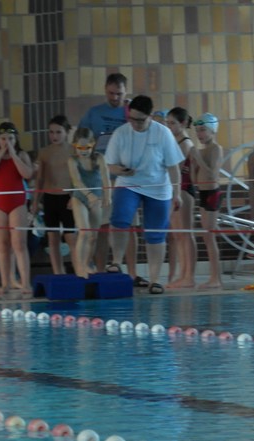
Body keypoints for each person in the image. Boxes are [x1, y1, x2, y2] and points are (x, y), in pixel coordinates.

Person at [103, 95, 184, 295]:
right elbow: (110, 165)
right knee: (120, 218)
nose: (135, 124)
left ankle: (155, 280)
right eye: (132, 119)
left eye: (140, 120)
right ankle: (116, 261)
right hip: (128, 183)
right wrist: (120, 171)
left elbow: (173, 167)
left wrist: (177, 194)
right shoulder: (121, 133)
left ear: (150, 116)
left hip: (158, 187)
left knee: (156, 233)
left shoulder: (163, 133)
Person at [78, 73, 147, 288]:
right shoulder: (94, 113)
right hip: (102, 178)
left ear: (126, 92)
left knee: (129, 226)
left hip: (126, 179)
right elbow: (80, 140)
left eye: (119, 94)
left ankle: (132, 273)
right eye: (111, 93)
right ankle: (101, 272)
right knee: (103, 226)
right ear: (105, 90)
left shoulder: (131, 112)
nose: (115, 98)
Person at [0, 122, 35, 295]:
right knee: (2, 245)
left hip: (17, 203)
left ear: (16, 139)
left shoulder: (22, 154)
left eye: (10, 139)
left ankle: (25, 283)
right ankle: (5, 283)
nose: (7, 142)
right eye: (3, 139)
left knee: (19, 243)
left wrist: (12, 154)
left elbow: (27, 174)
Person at [30, 115, 77, 275]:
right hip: (50, 198)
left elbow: (79, 178)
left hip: (68, 198)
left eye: (58, 132)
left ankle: (80, 272)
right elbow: (40, 179)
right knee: (53, 239)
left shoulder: (74, 151)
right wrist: (35, 202)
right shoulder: (44, 152)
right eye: (51, 132)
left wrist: (75, 196)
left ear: (67, 132)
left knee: (71, 238)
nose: (54, 136)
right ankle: (58, 273)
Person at [67, 127, 111, 279]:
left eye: (87, 147)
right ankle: (79, 267)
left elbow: (105, 178)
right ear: (75, 146)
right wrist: (89, 194)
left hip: (96, 199)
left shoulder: (99, 158)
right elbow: (76, 181)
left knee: (93, 236)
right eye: (80, 147)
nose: (84, 151)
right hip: (79, 197)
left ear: (93, 145)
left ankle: (86, 263)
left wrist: (108, 196)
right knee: (84, 232)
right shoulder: (72, 160)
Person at [164, 107, 198, 289]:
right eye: (167, 123)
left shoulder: (186, 143)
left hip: (184, 190)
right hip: (175, 190)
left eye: (172, 123)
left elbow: (174, 168)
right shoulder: (175, 141)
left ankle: (189, 276)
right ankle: (183, 274)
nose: (169, 126)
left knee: (185, 233)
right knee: (178, 235)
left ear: (183, 123)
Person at [191, 113, 224, 289]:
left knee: (209, 236)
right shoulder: (202, 150)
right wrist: (193, 163)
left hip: (212, 193)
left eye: (203, 130)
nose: (199, 134)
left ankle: (216, 278)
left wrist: (198, 158)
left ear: (213, 130)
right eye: (197, 130)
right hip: (202, 193)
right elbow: (195, 179)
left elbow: (212, 174)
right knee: (207, 236)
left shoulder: (216, 149)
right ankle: (214, 277)